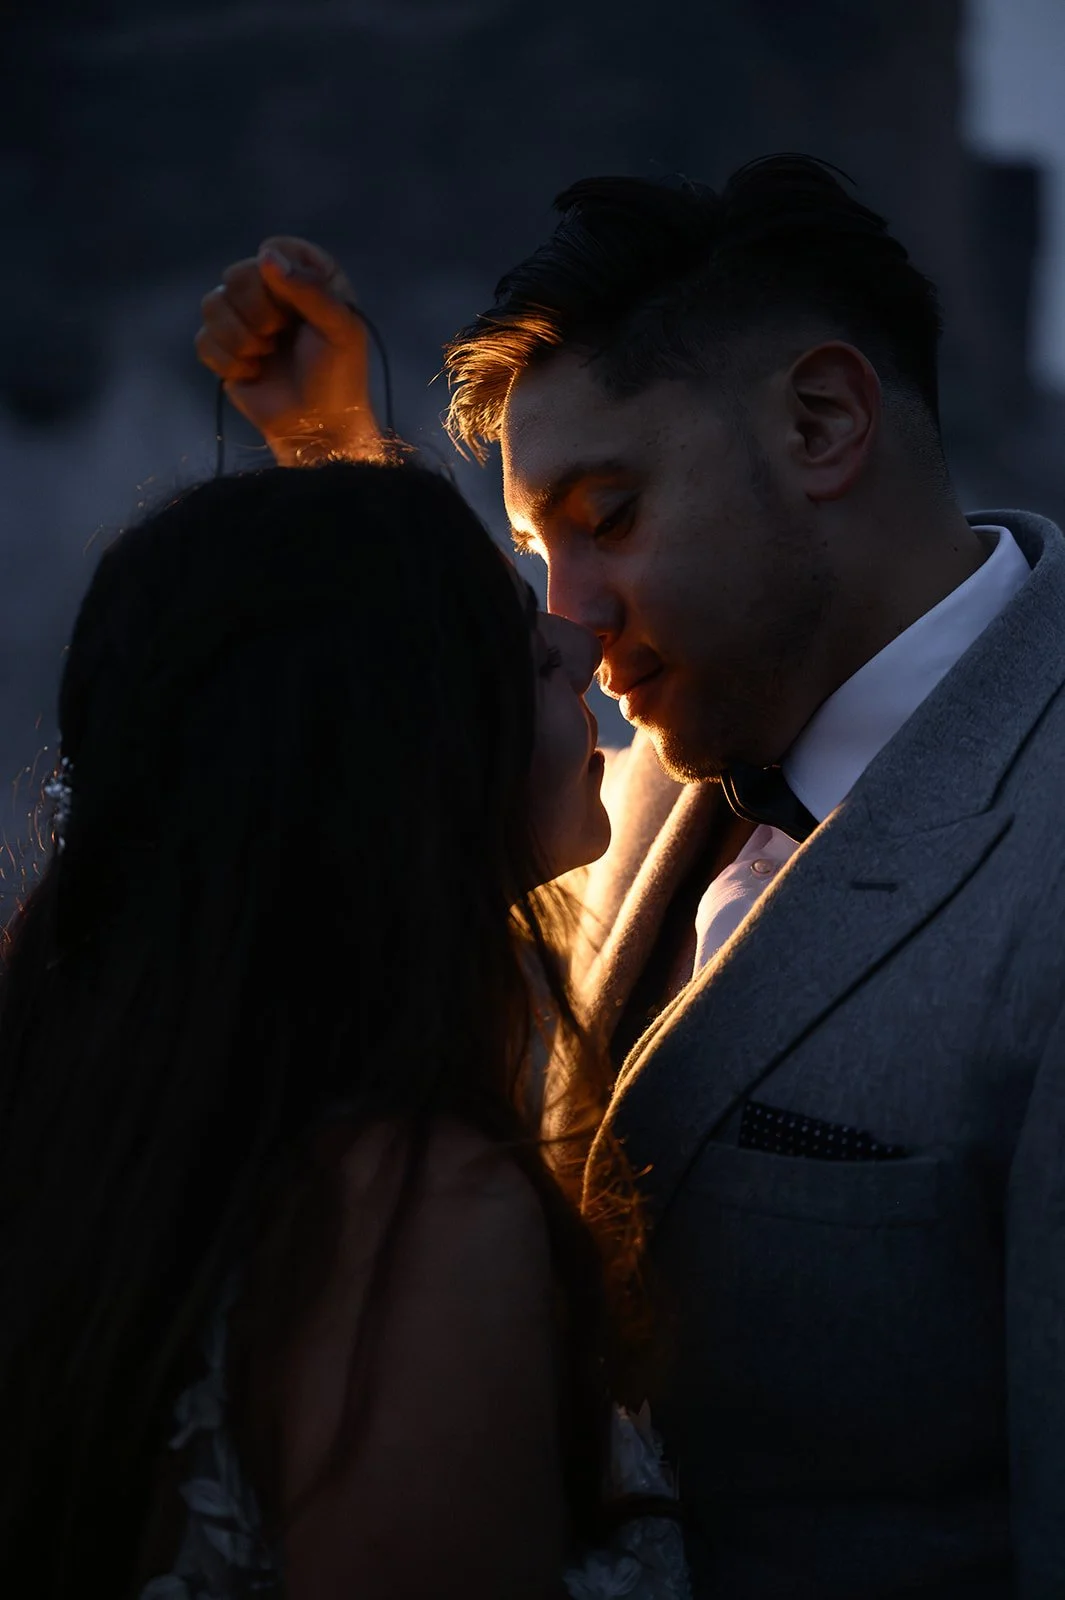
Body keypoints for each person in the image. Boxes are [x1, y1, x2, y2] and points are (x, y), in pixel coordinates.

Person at [196, 154, 1065, 1598]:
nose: (571, 624)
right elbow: (399, 784)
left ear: (821, 421)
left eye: (607, 517)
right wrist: (342, 462)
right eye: (538, 552)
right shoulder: (652, 749)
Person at [0, 461, 692, 1599]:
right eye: (522, 649)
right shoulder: (414, 1224)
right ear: (407, 757)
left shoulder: (104, 1119)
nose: (579, 646)